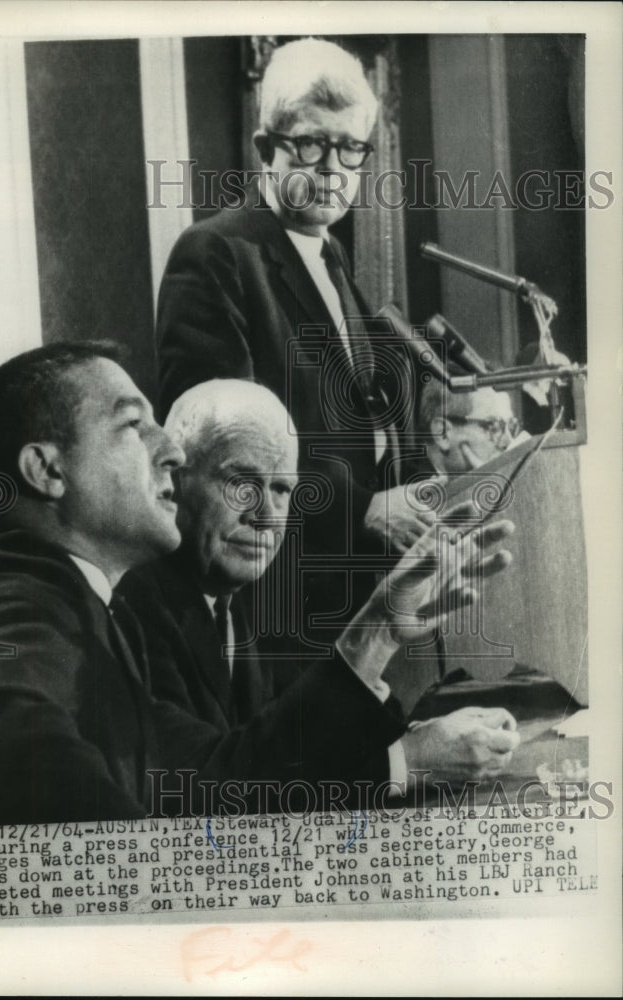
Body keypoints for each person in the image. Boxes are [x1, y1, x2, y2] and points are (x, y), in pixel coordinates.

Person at [0, 344, 519, 827]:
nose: (168, 451)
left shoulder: (74, 604)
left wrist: (377, 627)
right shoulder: (10, 608)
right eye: (134, 425)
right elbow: (5, 753)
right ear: (48, 469)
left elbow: (221, 778)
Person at [121, 378, 521, 807]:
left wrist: (423, 739)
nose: (267, 517)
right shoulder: (132, 608)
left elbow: (283, 750)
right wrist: (409, 762)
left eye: (281, 490)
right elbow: (219, 793)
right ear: (173, 481)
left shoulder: (234, 597)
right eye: (241, 483)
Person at [156, 37, 435, 613]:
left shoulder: (332, 259)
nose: (333, 169)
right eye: (310, 145)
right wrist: (361, 508)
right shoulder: (217, 253)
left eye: (351, 148)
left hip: (363, 592)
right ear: (266, 147)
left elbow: (369, 430)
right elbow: (221, 455)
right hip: (279, 600)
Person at [417, 380, 528, 476]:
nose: (508, 442)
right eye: (494, 427)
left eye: (512, 427)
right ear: (442, 434)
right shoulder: (409, 493)